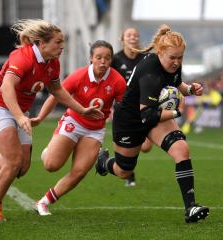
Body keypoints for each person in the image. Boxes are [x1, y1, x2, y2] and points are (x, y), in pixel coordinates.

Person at [0, 19, 103, 222]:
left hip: (19, 112)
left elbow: (57, 90)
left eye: (63, 42)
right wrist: (18, 116)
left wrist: (82, 110)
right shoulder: (22, 57)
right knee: (13, 162)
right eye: (58, 42)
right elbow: (6, 88)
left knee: (21, 168)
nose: (62, 46)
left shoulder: (53, 63)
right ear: (42, 43)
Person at [95, 24, 210, 223]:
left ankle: (191, 207)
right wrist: (175, 111)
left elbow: (176, 83)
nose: (176, 62)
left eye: (180, 58)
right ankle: (104, 163)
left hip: (154, 113)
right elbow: (146, 115)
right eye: (172, 58)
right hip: (131, 119)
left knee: (181, 148)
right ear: (160, 52)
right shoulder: (150, 73)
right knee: (124, 171)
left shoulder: (173, 62)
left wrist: (190, 89)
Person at [32, 40, 127, 216]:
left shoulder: (118, 81)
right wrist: (39, 118)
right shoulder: (78, 76)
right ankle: (50, 151)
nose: (103, 62)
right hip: (73, 123)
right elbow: (55, 96)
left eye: (107, 58)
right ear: (91, 58)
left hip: (95, 130)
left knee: (79, 172)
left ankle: (44, 202)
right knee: (51, 165)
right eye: (98, 57)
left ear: (111, 60)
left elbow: (124, 109)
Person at [112, 27, 152, 187]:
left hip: (144, 107)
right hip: (123, 110)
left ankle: (126, 167)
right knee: (124, 148)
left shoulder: (146, 59)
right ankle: (128, 172)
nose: (133, 37)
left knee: (146, 148)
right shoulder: (115, 59)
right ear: (122, 39)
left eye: (136, 35)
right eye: (129, 35)